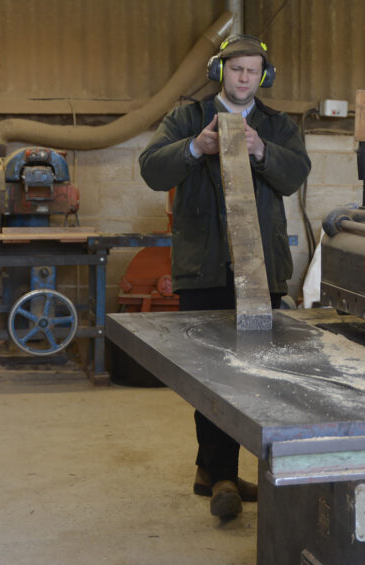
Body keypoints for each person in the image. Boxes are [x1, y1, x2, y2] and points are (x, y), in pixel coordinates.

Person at [139, 33, 311, 518]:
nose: (243, 78)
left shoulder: (276, 125)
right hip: (205, 268)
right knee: (212, 378)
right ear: (221, 72)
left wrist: (262, 151)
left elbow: (296, 175)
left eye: (252, 71)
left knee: (259, 377)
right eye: (235, 69)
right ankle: (220, 476)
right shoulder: (187, 118)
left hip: (262, 270)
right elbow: (152, 170)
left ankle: (216, 473)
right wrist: (195, 147)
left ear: (263, 76)